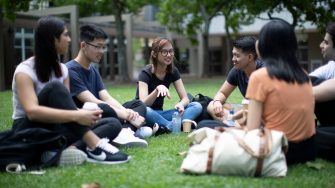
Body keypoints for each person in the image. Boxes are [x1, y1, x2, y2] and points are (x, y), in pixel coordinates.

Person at [12, 16, 130, 165]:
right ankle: (94, 146)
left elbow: (66, 106)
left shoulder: (62, 70)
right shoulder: (25, 70)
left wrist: (82, 115)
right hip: (29, 131)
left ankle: (68, 151)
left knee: (113, 123)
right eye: (65, 35)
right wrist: (77, 115)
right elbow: (32, 112)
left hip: (56, 128)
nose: (69, 40)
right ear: (52, 39)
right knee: (55, 88)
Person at [246, 19, 316, 165]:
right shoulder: (303, 74)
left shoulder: (259, 76)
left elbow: (251, 131)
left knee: (208, 125)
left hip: (278, 150)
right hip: (307, 150)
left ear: (264, 45)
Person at [66, 24, 149, 145]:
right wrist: (127, 115)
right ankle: (129, 129)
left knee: (137, 104)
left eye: (103, 47)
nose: (101, 51)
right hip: (90, 117)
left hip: (104, 112)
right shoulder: (70, 70)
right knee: (103, 107)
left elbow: (106, 97)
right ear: (83, 46)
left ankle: (126, 131)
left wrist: (126, 111)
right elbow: (93, 101)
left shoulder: (93, 69)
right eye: (98, 47)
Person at [136, 37, 202, 133]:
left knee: (196, 105)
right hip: (146, 114)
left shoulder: (173, 71)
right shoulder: (145, 73)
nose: (169, 55)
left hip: (161, 114)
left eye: (171, 51)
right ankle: (172, 126)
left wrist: (181, 104)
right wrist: (157, 90)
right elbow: (143, 104)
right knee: (147, 110)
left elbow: (185, 98)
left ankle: (167, 126)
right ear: (154, 54)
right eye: (164, 52)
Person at [207, 36, 263, 122]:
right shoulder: (237, 70)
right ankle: (235, 124)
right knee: (212, 105)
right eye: (233, 55)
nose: (233, 59)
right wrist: (217, 102)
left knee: (248, 116)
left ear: (250, 57)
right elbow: (223, 93)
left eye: (237, 56)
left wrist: (233, 117)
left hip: (260, 112)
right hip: (246, 110)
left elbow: (255, 106)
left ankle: (233, 124)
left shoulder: (263, 72)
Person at [310, 22, 335, 126]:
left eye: (326, 42)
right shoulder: (332, 66)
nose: (321, 45)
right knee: (313, 82)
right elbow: (307, 80)